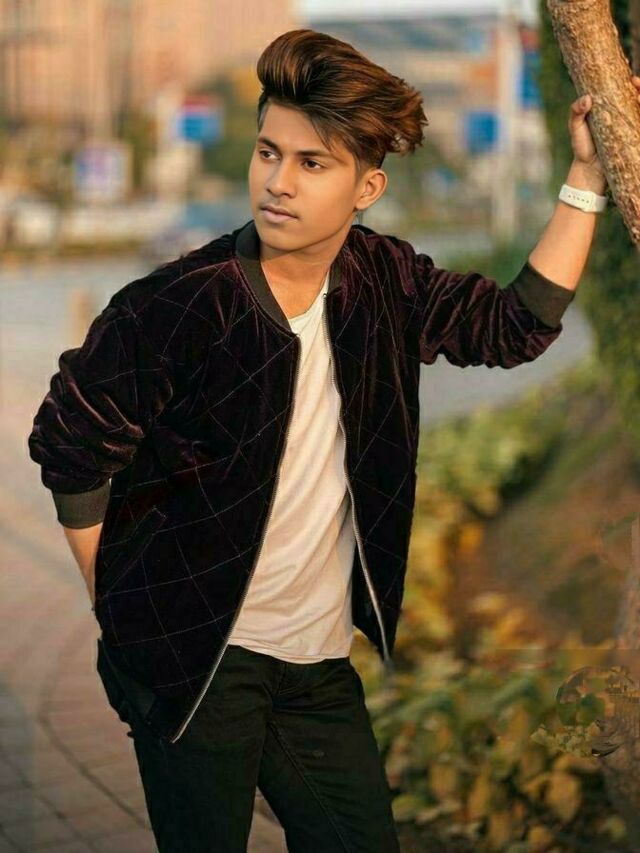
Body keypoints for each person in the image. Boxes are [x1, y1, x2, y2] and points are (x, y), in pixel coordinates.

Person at [27, 25, 610, 853]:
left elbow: (514, 325)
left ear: (366, 186)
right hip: (198, 665)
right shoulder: (179, 303)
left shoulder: (384, 280)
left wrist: (585, 179)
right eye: (269, 153)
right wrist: (119, 608)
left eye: (312, 163)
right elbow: (71, 440)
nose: (279, 182)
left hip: (316, 667)